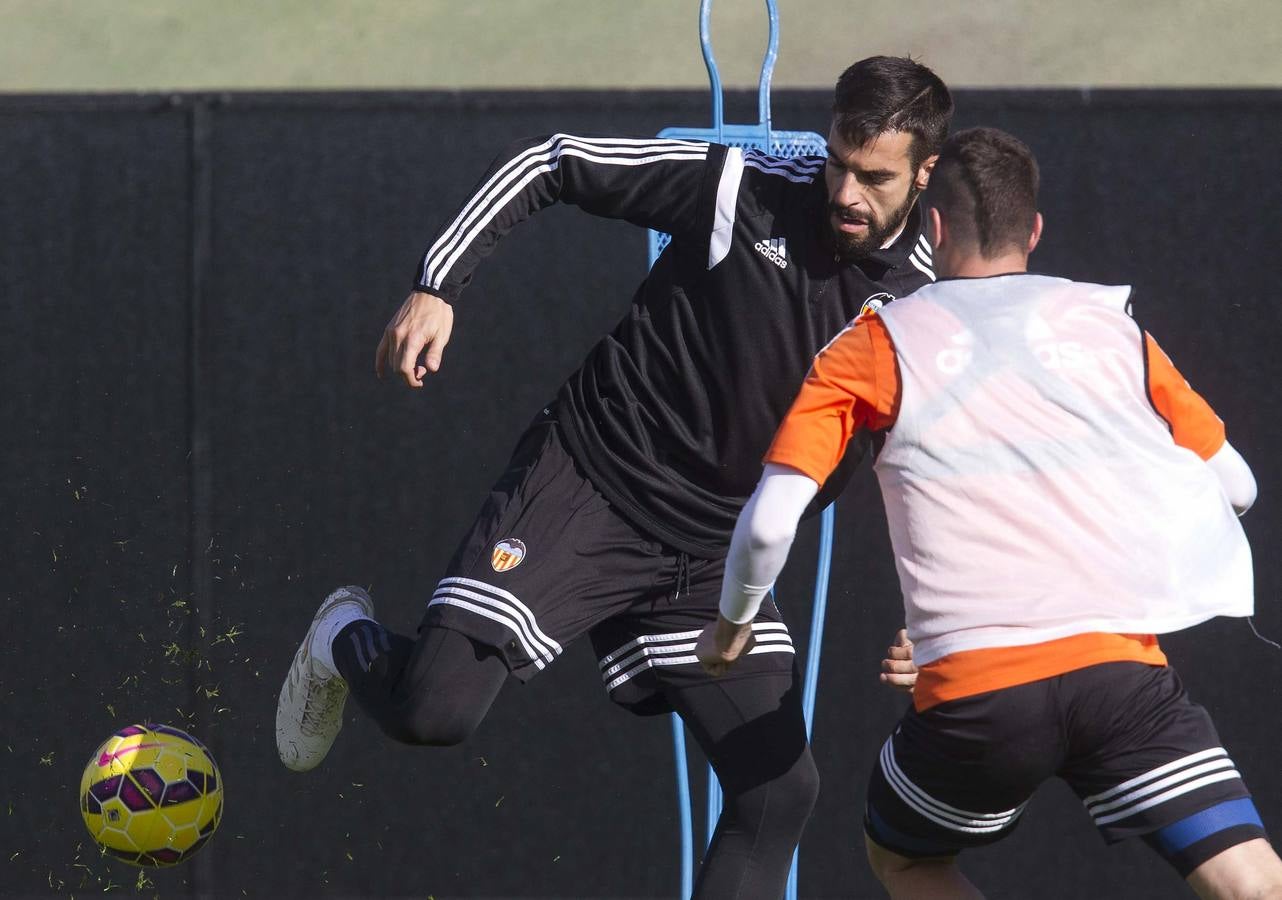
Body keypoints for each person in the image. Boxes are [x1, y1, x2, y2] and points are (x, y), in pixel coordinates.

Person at [274, 56, 953, 896]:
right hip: (591, 485)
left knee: (780, 789)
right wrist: (438, 285)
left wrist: (939, 621)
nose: (846, 191)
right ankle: (341, 637)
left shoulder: (934, 300)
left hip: (712, 555)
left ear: (924, 174)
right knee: (432, 713)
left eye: (874, 177)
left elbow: (935, 469)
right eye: (839, 162)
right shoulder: (744, 188)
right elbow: (551, 161)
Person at [699, 126, 1282, 898]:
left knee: (904, 858)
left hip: (979, 698)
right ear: (1033, 230)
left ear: (930, 228)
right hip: (1121, 681)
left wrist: (733, 625)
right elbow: (1236, 486)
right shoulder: (1111, 326)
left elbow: (771, 524)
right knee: (1251, 881)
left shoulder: (873, 344)